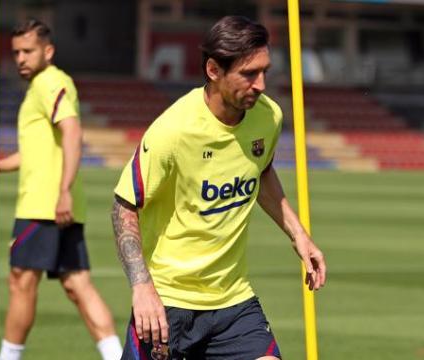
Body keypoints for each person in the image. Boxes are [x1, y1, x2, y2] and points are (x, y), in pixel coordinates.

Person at [112, 16, 327, 360]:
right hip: (169, 303)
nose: (261, 85)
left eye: (264, 71)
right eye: (248, 74)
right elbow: (124, 205)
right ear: (213, 70)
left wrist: (299, 235)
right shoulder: (173, 131)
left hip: (234, 303)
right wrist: (142, 287)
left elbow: (262, 172)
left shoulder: (267, 117)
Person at [0, 19, 122, 360]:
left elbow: (72, 132)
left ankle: (8, 358)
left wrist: (63, 190)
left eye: (28, 51)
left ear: (48, 51)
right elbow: (40, 149)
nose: (20, 58)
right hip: (59, 203)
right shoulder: (43, 85)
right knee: (77, 284)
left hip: (43, 205)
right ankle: (117, 356)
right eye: (16, 53)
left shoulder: (50, 82)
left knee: (21, 281)